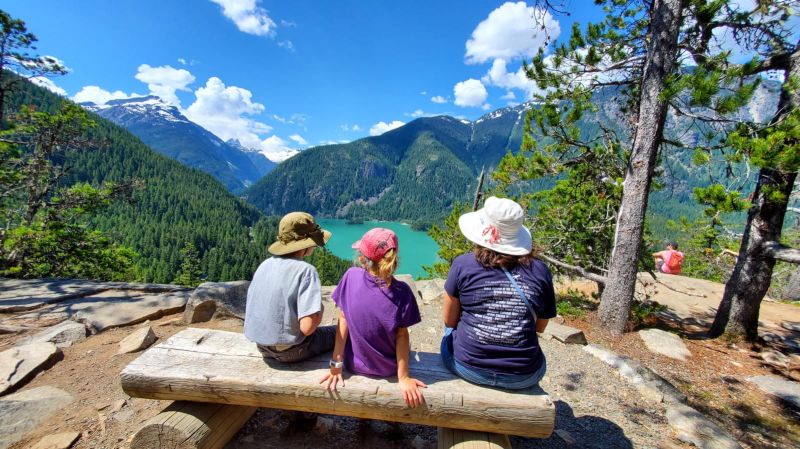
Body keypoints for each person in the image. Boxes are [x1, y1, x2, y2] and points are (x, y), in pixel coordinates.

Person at [441, 196, 556, 390]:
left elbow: (449, 321)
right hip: (522, 375)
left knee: (448, 333)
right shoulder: (540, 271)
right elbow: (540, 327)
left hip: (468, 368)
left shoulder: (463, 264)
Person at [320, 228, 426, 408]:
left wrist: (336, 365)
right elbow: (402, 336)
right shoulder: (403, 292)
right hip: (388, 369)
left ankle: (363, 420)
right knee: (404, 340)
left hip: (353, 365)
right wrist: (403, 377)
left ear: (362, 257)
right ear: (394, 257)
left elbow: (343, 319)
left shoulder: (350, 276)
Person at [244, 212, 336, 363]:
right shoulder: (306, 270)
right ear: (306, 244)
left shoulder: (265, 264)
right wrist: (318, 311)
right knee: (341, 331)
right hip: (293, 351)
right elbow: (307, 328)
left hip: (261, 346)